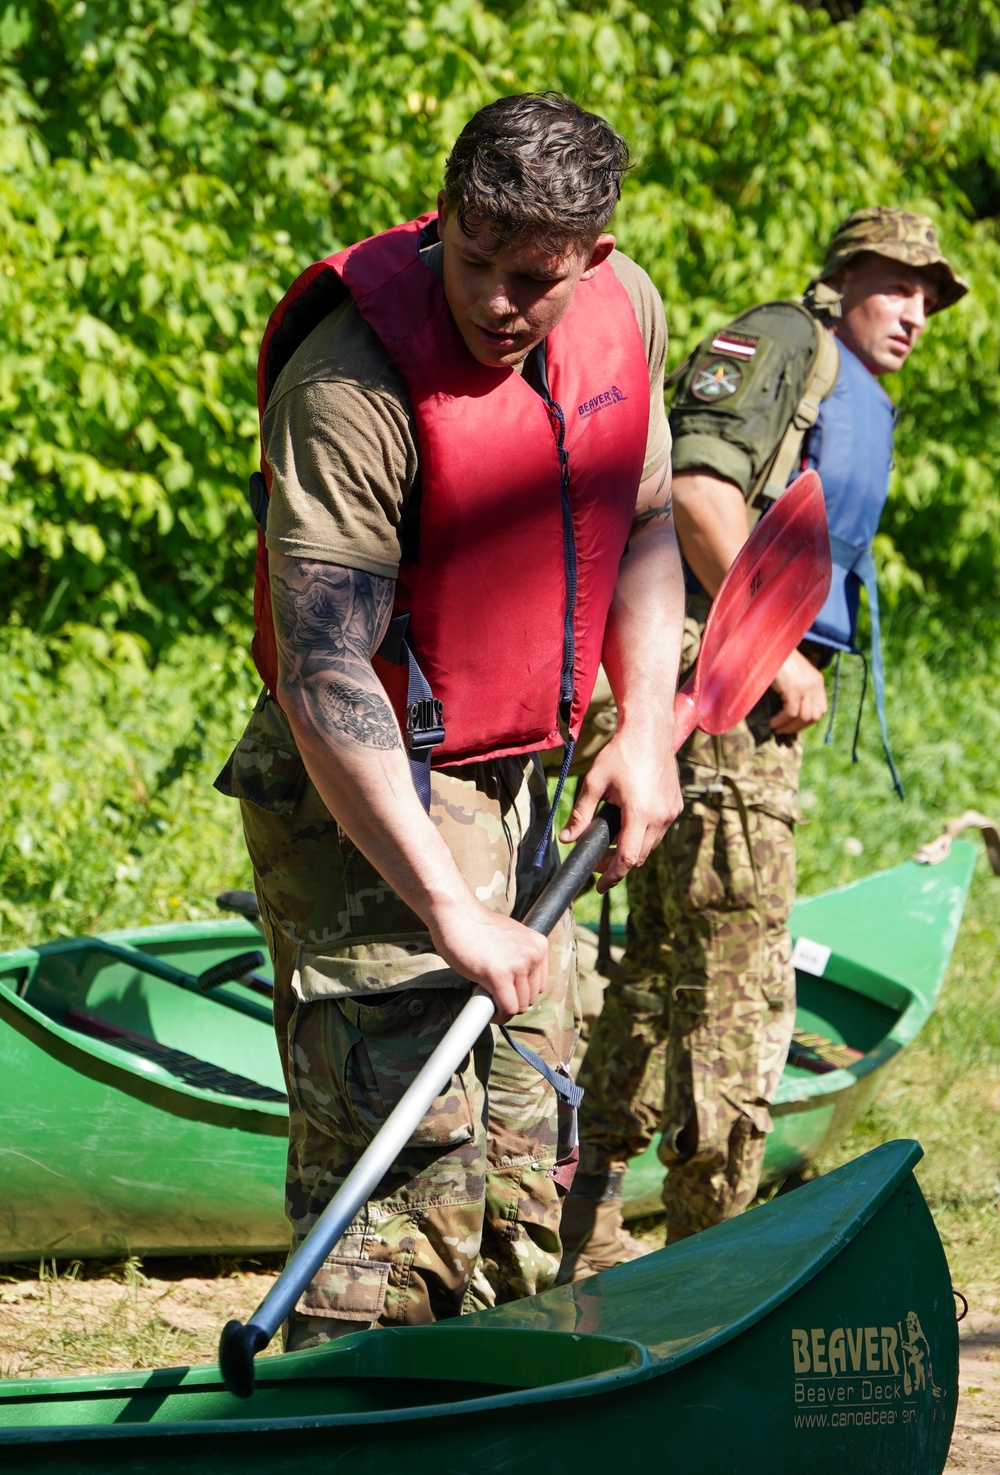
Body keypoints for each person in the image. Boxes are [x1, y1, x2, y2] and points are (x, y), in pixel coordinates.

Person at [215, 92, 685, 1347]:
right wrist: (446, 906)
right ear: (446, 221)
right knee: (405, 1197)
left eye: (530, 279)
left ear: (592, 252)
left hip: (522, 771)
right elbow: (322, 670)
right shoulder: (350, 383)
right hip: (368, 784)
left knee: (533, 1179)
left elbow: (644, 525)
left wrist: (641, 730)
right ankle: (348, 1413)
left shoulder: (623, 312)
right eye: (471, 263)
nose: (494, 303)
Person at [559, 207, 968, 1278]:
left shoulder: (847, 380)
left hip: (722, 687)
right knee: (738, 974)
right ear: (842, 278)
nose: (915, 310)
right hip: (710, 675)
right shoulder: (787, 342)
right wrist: (775, 645)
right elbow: (695, 489)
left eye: (930, 295)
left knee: (658, 966)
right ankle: (714, 1258)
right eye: (897, 284)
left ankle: (587, 1231)